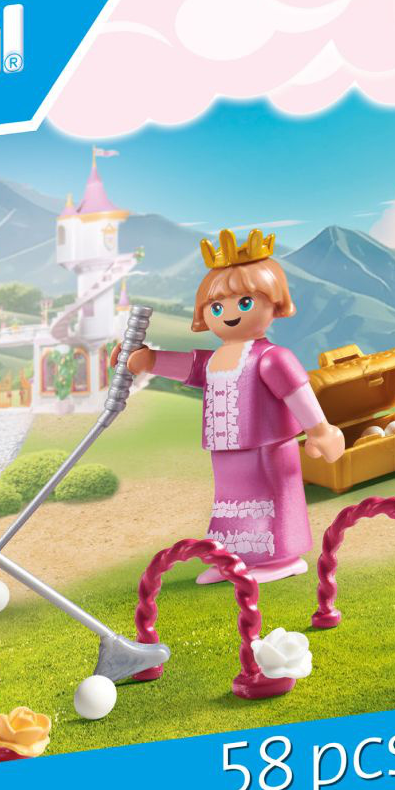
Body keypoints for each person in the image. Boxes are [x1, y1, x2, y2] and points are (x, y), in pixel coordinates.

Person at [125, 228, 345, 583]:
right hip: (225, 451)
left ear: (274, 303)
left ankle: (280, 559)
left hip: (267, 449)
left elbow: (297, 394)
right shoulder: (215, 360)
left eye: (244, 303)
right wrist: (149, 360)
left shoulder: (272, 358)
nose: (228, 314)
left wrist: (320, 430)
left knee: (270, 500)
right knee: (230, 504)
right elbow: (188, 367)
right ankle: (232, 558)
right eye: (217, 307)